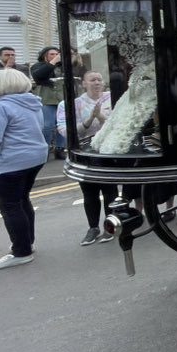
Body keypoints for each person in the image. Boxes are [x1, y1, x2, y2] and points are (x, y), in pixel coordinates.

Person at [0, 68, 47, 271]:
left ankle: (21, 252)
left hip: (11, 163)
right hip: (35, 158)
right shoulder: (32, 102)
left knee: (10, 206)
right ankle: (26, 241)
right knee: (22, 200)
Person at [57, 71, 116, 245]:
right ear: (83, 83)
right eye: (92, 80)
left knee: (110, 191)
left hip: (108, 151)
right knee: (89, 193)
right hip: (84, 153)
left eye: (99, 79)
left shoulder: (113, 99)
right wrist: (89, 120)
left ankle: (110, 226)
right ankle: (93, 228)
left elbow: (120, 125)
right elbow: (64, 131)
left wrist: (101, 117)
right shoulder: (70, 104)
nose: (96, 83)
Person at [30, 46, 67, 160]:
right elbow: (38, 76)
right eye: (52, 54)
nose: (55, 56)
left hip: (61, 99)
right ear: (44, 56)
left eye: (57, 54)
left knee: (62, 124)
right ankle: (44, 149)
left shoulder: (62, 67)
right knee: (47, 125)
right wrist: (53, 62)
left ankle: (60, 149)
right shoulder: (38, 66)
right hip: (47, 99)